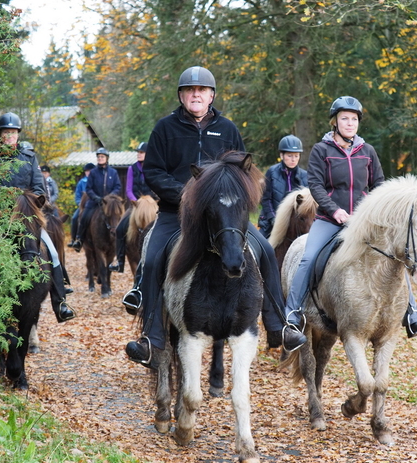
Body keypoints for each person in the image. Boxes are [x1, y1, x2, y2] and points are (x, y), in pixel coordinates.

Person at [124, 66, 307, 368]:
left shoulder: (227, 129)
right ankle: (151, 338)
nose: (195, 94)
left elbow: (243, 172)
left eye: (201, 90)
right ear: (181, 95)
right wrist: (184, 193)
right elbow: (153, 171)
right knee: (155, 258)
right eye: (189, 90)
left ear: (211, 96)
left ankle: (279, 326)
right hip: (176, 213)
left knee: (263, 250)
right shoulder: (165, 128)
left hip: (224, 215)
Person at [282, 96, 417, 337]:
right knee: (308, 258)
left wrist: (375, 214)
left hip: (363, 223)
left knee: (395, 255)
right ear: (335, 122)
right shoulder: (322, 150)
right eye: (344, 119)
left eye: (353, 119)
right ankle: (293, 315)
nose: (349, 123)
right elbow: (316, 186)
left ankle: (412, 312)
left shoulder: (368, 152)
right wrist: (335, 210)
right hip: (330, 221)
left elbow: (379, 186)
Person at [0, 112, 75, 323]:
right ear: (0, 135)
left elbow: (39, 188)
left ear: (18, 135)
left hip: (27, 218)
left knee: (53, 254)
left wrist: (33, 203)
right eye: (5, 133)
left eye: (12, 133)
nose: (9, 136)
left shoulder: (29, 158)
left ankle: (61, 303)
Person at [109, 142, 157, 273]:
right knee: (119, 228)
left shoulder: (154, 168)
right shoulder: (132, 169)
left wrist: (150, 201)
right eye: (138, 152)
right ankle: (119, 261)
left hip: (151, 205)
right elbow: (129, 190)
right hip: (135, 205)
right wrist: (136, 202)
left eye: (141, 152)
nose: (139, 154)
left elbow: (156, 186)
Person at [258, 135, 308, 238]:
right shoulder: (272, 172)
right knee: (261, 248)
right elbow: (266, 199)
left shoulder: (305, 176)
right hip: (271, 222)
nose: (293, 159)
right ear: (281, 155)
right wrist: (273, 219)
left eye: (296, 156)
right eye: (289, 156)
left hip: (296, 225)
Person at [72, 147, 122, 252]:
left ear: (107, 158)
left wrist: (110, 197)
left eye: (102, 156)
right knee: (84, 217)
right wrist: (96, 198)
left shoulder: (113, 172)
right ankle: (79, 239)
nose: (100, 158)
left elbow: (118, 187)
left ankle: (121, 241)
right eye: (98, 157)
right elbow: (89, 189)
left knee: (117, 217)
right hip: (94, 203)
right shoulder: (93, 172)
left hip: (109, 204)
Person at [68, 163, 95, 247]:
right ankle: (74, 239)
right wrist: (80, 204)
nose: (88, 173)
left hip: (95, 205)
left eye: (90, 171)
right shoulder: (81, 182)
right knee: (74, 218)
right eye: (87, 171)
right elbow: (77, 196)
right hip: (83, 206)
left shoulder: (97, 181)